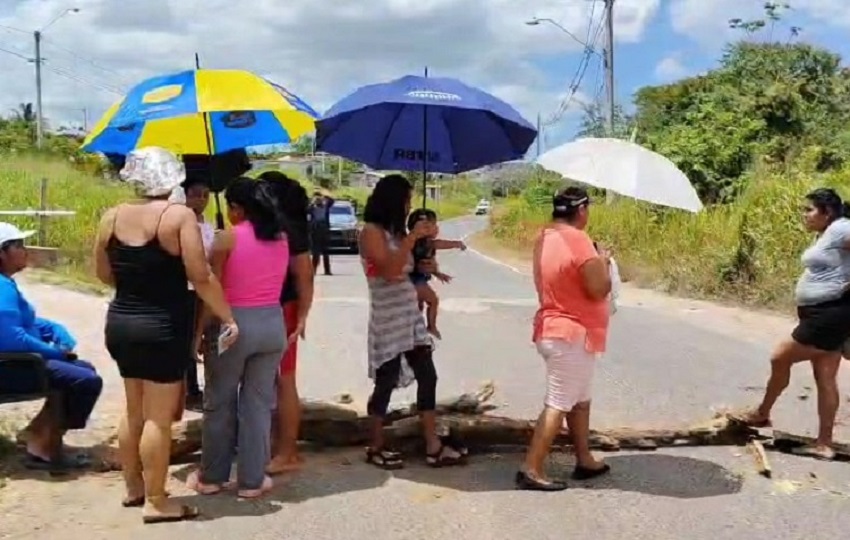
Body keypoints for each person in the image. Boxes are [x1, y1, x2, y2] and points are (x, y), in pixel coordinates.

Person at [94, 147, 238, 524]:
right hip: (163, 326)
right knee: (158, 419)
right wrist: (226, 315)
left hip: (121, 322)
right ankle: (157, 501)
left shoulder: (111, 217)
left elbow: (104, 274)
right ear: (173, 177)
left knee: (133, 410)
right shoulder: (178, 217)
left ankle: (134, 487)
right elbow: (200, 276)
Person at [187, 177, 289, 499]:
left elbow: (211, 291)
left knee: (219, 402)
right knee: (258, 405)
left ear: (237, 208)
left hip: (232, 324)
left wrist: (199, 333)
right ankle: (252, 480)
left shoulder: (225, 239)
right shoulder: (282, 238)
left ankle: (211, 477)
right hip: (272, 324)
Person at [732, 188, 850, 460]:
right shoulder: (829, 233)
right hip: (826, 313)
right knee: (825, 377)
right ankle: (824, 444)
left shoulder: (841, 228)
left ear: (827, 212)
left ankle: (762, 413)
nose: (804, 215)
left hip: (828, 315)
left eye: (809, 210)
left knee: (779, 357)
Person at [359, 174, 466, 470]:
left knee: (428, 376)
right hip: (388, 319)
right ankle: (375, 445)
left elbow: (408, 268)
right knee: (386, 381)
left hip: (410, 316)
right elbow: (390, 270)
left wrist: (426, 265)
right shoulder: (371, 232)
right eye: (406, 200)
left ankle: (433, 444)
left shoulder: (396, 234)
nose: (408, 207)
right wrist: (411, 238)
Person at [516, 186, 612, 491]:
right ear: (581, 210)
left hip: (555, 328)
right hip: (571, 333)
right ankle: (532, 468)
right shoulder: (579, 240)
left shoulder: (546, 237)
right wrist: (604, 262)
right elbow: (598, 289)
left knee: (580, 401)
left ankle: (584, 459)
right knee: (559, 403)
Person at [0, 222, 103, 471]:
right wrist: (55, 352)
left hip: (18, 362)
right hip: (10, 367)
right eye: (19, 246)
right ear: (2, 253)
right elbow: (11, 338)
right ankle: (43, 443)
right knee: (85, 380)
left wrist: (55, 330)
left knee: (84, 369)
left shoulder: (6, 284)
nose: (25, 251)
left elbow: (27, 322)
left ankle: (38, 433)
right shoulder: (2, 288)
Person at [257, 171, 314, 475]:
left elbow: (304, 276)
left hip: (283, 308)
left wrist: (302, 317)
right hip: (280, 308)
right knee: (274, 381)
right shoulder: (286, 226)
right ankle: (275, 446)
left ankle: (288, 450)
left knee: (283, 380)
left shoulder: (287, 229)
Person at [406, 208, 466, 339]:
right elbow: (440, 244)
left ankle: (415, 328)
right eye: (432, 225)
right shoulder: (425, 243)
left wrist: (439, 274)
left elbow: (428, 264)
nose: (437, 228)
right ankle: (431, 326)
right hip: (415, 280)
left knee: (419, 304)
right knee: (433, 301)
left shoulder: (414, 242)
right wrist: (457, 244)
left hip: (413, 280)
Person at [182, 176, 214, 411]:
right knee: (185, 338)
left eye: (205, 196)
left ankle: (193, 387)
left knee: (197, 337)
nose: (200, 200)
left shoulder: (208, 228)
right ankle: (188, 389)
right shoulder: (180, 224)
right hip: (184, 288)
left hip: (203, 289)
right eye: (195, 195)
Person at [309, 191, 334, 275]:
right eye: (317, 199)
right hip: (315, 230)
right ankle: (313, 270)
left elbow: (331, 200)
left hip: (324, 230)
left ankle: (327, 270)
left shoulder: (325, 206)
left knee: (325, 252)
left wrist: (324, 195)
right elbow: (305, 210)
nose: (318, 200)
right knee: (316, 252)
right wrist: (312, 202)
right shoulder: (312, 208)